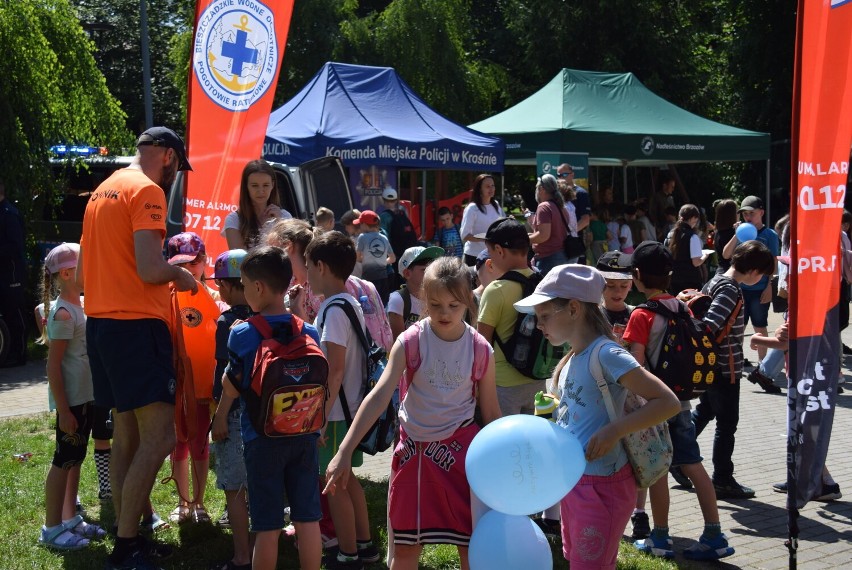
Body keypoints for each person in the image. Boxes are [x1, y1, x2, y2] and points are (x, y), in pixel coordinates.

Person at [324, 256, 501, 570]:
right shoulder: (411, 341)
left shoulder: (479, 349)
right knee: (405, 551)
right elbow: (379, 396)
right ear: (422, 300)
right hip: (413, 457)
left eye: (454, 305)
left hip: (461, 457)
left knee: (471, 548)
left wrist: (507, 466)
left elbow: (491, 413)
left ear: (469, 303)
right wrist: (344, 450)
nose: (444, 313)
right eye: (435, 304)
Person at [79, 126, 197, 570]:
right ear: (167, 156)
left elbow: (86, 275)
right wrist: (180, 276)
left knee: (126, 433)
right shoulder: (148, 191)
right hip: (135, 328)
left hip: (102, 326)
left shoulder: (102, 190)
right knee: (161, 434)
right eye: (176, 167)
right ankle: (127, 545)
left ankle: (130, 531)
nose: (174, 177)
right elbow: (150, 269)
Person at [514, 264, 679, 570]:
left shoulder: (606, 354)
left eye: (545, 316)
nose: (538, 325)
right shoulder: (568, 359)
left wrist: (614, 431)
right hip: (574, 482)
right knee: (582, 562)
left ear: (574, 309)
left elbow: (667, 402)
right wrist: (547, 415)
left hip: (604, 485)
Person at [624, 241, 734, 561]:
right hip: (682, 404)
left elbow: (637, 365)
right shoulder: (682, 307)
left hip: (653, 407)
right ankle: (714, 533)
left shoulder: (641, 315)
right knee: (694, 465)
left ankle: (659, 538)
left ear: (637, 275)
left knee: (658, 469)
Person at [220, 246, 322, 570]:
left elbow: (232, 385)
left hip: (262, 440)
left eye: (245, 285)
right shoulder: (309, 331)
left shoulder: (243, 334)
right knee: (308, 519)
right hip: (304, 435)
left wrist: (220, 414)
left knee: (267, 527)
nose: (246, 291)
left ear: (259, 288)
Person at [306, 231, 378, 569]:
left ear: (320, 266)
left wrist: (318, 416)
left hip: (334, 413)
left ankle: (347, 554)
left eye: (307, 266)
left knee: (333, 485)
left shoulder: (333, 310)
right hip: (349, 410)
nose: (306, 274)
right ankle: (365, 546)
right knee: (349, 483)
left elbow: (333, 370)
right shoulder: (349, 302)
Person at [691, 241, 776, 501]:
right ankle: (722, 479)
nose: (761, 279)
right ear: (752, 271)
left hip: (711, 366)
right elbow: (709, 326)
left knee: (705, 411)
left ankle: (677, 458)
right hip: (724, 366)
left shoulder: (716, 281)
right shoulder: (731, 291)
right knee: (726, 425)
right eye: (762, 274)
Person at [37, 243, 108, 551]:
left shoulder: (79, 306)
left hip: (85, 398)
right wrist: (63, 410)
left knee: (75, 459)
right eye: (84, 266)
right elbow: (54, 366)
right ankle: (51, 528)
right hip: (72, 401)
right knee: (63, 460)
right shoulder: (64, 314)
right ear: (67, 273)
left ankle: (70, 519)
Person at [164, 232, 216, 525]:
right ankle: (183, 502)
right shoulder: (165, 294)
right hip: (175, 381)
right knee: (178, 442)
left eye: (193, 263)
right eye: (180, 265)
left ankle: (200, 502)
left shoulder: (214, 296)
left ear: (204, 261)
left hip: (202, 383)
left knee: (200, 442)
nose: (187, 270)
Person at [208, 249, 252, 570]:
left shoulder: (227, 322)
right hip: (265, 414)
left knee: (235, 488)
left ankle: (241, 556)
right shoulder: (267, 315)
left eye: (220, 284)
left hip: (234, 414)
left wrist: (218, 413)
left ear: (227, 285)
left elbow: (226, 374)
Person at [476, 218, 539, 414]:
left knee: (505, 444)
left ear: (500, 251)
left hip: (504, 386)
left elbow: (482, 344)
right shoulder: (543, 284)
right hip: (540, 382)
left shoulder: (495, 290)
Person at [722, 196, 779, 362]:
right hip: (740, 289)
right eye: (745, 214)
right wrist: (736, 235)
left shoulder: (769, 235)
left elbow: (774, 264)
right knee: (738, 326)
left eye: (751, 213)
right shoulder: (741, 233)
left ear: (761, 213)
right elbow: (726, 254)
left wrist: (769, 287)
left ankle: (764, 364)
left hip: (759, 289)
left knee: (759, 325)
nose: (748, 217)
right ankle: (737, 360)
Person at [223, 159, 292, 250]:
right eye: (255, 185)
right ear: (246, 186)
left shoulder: (284, 217)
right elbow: (238, 260)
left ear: (272, 185)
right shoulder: (234, 219)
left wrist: (279, 224)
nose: (261, 191)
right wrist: (264, 228)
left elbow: (288, 254)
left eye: (266, 185)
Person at [387, 246, 444, 341]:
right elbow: (399, 343)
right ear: (407, 274)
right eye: (425, 270)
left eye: (433, 268)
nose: (432, 274)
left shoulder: (439, 297)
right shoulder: (398, 300)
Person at [0, 178, 28, 367]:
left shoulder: (8, 214)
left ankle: (20, 354)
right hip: (3, 273)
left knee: (15, 314)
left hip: (12, 274)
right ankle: (8, 351)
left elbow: (15, 246)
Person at [528, 174, 569, 276]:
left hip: (548, 259)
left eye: (537, 187)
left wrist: (524, 239)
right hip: (561, 256)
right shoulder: (561, 207)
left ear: (542, 189)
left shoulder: (544, 207)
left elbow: (543, 236)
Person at [459, 174, 504, 266]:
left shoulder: (496, 204)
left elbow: (501, 223)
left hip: (493, 255)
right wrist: (485, 238)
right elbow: (464, 235)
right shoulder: (472, 208)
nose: (491, 189)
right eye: (487, 186)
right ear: (479, 189)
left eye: (493, 186)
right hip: (474, 256)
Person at [666, 204, 710, 294]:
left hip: (674, 278)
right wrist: (705, 256)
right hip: (690, 280)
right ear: (693, 218)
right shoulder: (693, 237)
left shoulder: (671, 234)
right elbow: (696, 262)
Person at [354, 210, 395, 304]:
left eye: (360, 224)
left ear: (364, 225)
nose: (359, 226)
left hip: (368, 278)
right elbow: (393, 259)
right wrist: (381, 261)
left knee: (370, 305)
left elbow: (357, 257)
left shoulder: (362, 237)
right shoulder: (384, 238)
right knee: (383, 304)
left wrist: (364, 260)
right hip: (384, 278)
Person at [378, 187, 419, 279]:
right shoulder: (402, 213)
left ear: (383, 200)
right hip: (407, 256)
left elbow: (383, 237)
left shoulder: (384, 216)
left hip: (394, 259)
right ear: (396, 200)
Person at [556, 163, 590, 261]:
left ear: (572, 175)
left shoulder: (581, 193)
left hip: (574, 241)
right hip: (559, 242)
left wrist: (569, 233)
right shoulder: (556, 194)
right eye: (559, 175)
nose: (561, 178)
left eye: (564, 175)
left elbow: (585, 220)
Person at [713, 199, 738, 275]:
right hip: (729, 273)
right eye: (737, 211)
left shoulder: (718, 232)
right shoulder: (733, 233)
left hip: (720, 271)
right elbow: (727, 256)